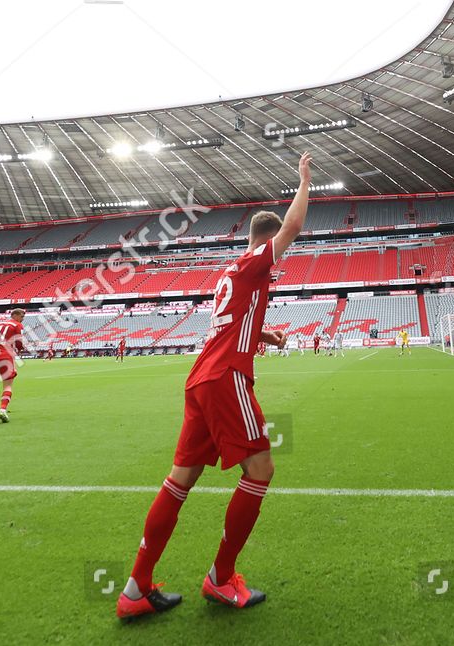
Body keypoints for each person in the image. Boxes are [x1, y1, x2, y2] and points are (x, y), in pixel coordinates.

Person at [115, 152, 313, 621]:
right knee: (260, 470)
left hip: (201, 378)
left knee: (180, 479)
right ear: (263, 242)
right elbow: (293, 229)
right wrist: (304, 181)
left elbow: (227, 324)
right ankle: (221, 579)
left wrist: (266, 334)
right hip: (227, 378)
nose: (279, 260)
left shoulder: (231, 273)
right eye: (275, 251)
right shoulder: (254, 262)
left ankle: (135, 588)